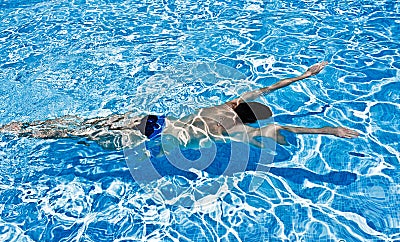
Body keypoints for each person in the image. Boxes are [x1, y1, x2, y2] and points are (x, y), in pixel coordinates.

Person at [0, 61, 359, 150]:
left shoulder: (230, 105)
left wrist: (305, 76)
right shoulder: (235, 130)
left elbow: (271, 87)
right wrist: (328, 130)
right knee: (78, 137)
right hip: (151, 136)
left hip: (150, 119)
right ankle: (26, 133)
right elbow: (284, 129)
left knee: (85, 124)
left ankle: (21, 126)